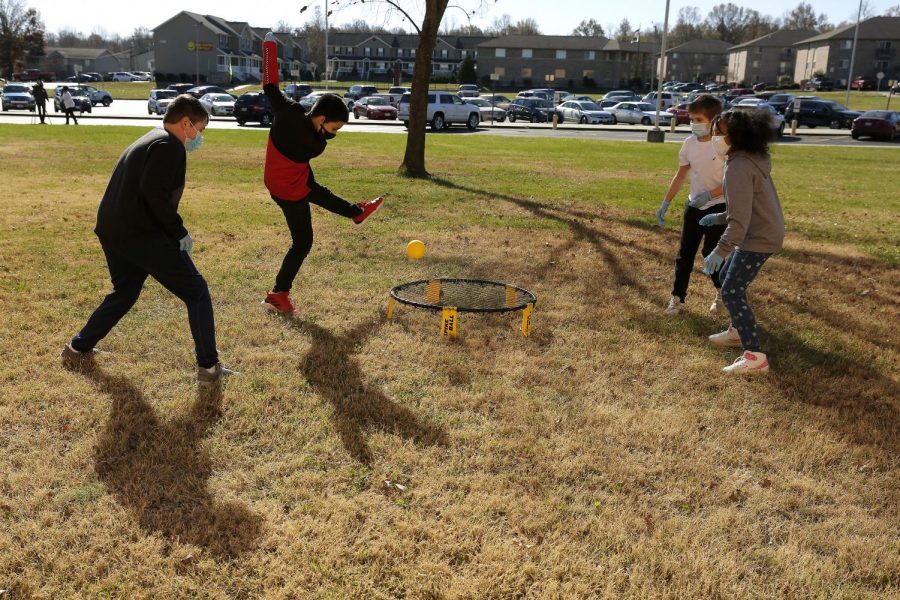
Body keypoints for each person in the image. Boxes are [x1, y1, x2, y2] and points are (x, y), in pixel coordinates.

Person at [61, 94, 235, 383]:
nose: (198, 138)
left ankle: (78, 347)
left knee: (125, 293)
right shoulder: (170, 146)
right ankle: (208, 367)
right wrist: (178, 231)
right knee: (197, 291)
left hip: (113, 231)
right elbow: (154, 194)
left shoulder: (150, 137)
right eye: (199, 130)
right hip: (141, 234)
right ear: (186, 123)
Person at [260, 32, 383, 314]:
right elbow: (305, 132)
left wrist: (269, 47)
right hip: (289, 190)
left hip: (279, 180)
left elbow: (269, 85)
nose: (333, 135)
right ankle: (279, 293)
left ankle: (355, 212)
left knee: (318, 190)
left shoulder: (288, 113)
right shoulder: (316, 145)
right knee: (303, 241)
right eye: (334, 128)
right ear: (322, 119)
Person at [700, 108, 785, 374]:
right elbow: (743, 208)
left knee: (731, 291)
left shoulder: (738, 166)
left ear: (735, 135)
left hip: (758, 237)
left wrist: (719, 251)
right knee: (729, 278)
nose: (714, 137)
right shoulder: (748, 158)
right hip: (762, 230)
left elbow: (740, 221)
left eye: (718, 132)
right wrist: (718, 217)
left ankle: (754, 356)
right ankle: (737, 331)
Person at [655, 94, 727, 316]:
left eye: (698, 119)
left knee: (711, 253)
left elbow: (732, 181)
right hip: (694, 207)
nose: (694, 124)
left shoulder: (724, 145)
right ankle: (677, 298)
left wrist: (710, 195)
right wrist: (666, 202)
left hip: (719, 208)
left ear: (714, 120)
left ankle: (722, 294)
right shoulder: (688, 144)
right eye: (691, 119)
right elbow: (680, 175)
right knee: (684, 254)